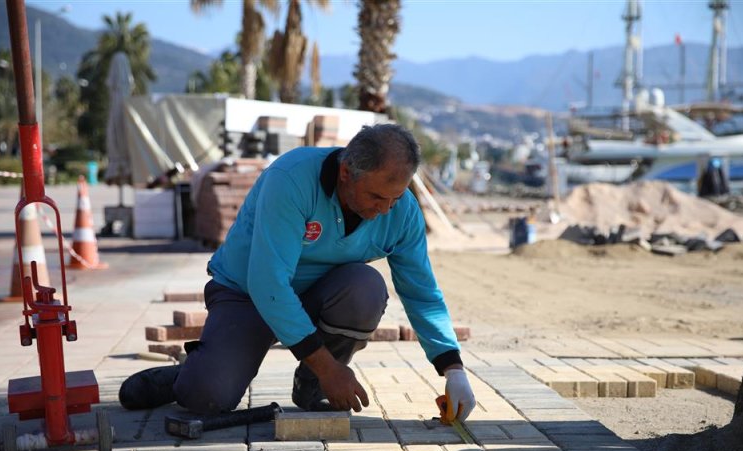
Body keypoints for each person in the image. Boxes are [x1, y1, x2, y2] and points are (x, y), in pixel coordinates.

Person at [119, 123, 476, 421]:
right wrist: (331, 368)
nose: (385, 210)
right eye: (376, 197)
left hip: (319, 296)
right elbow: (268, 284)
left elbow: (421, 293)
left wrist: (452, 369)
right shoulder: (291, 180)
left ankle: (313, 388)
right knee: (207, 398)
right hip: (248, 296)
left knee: (366, 287)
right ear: (346, 173)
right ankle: (185, 376)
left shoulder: (402, 212)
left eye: (394, 198)